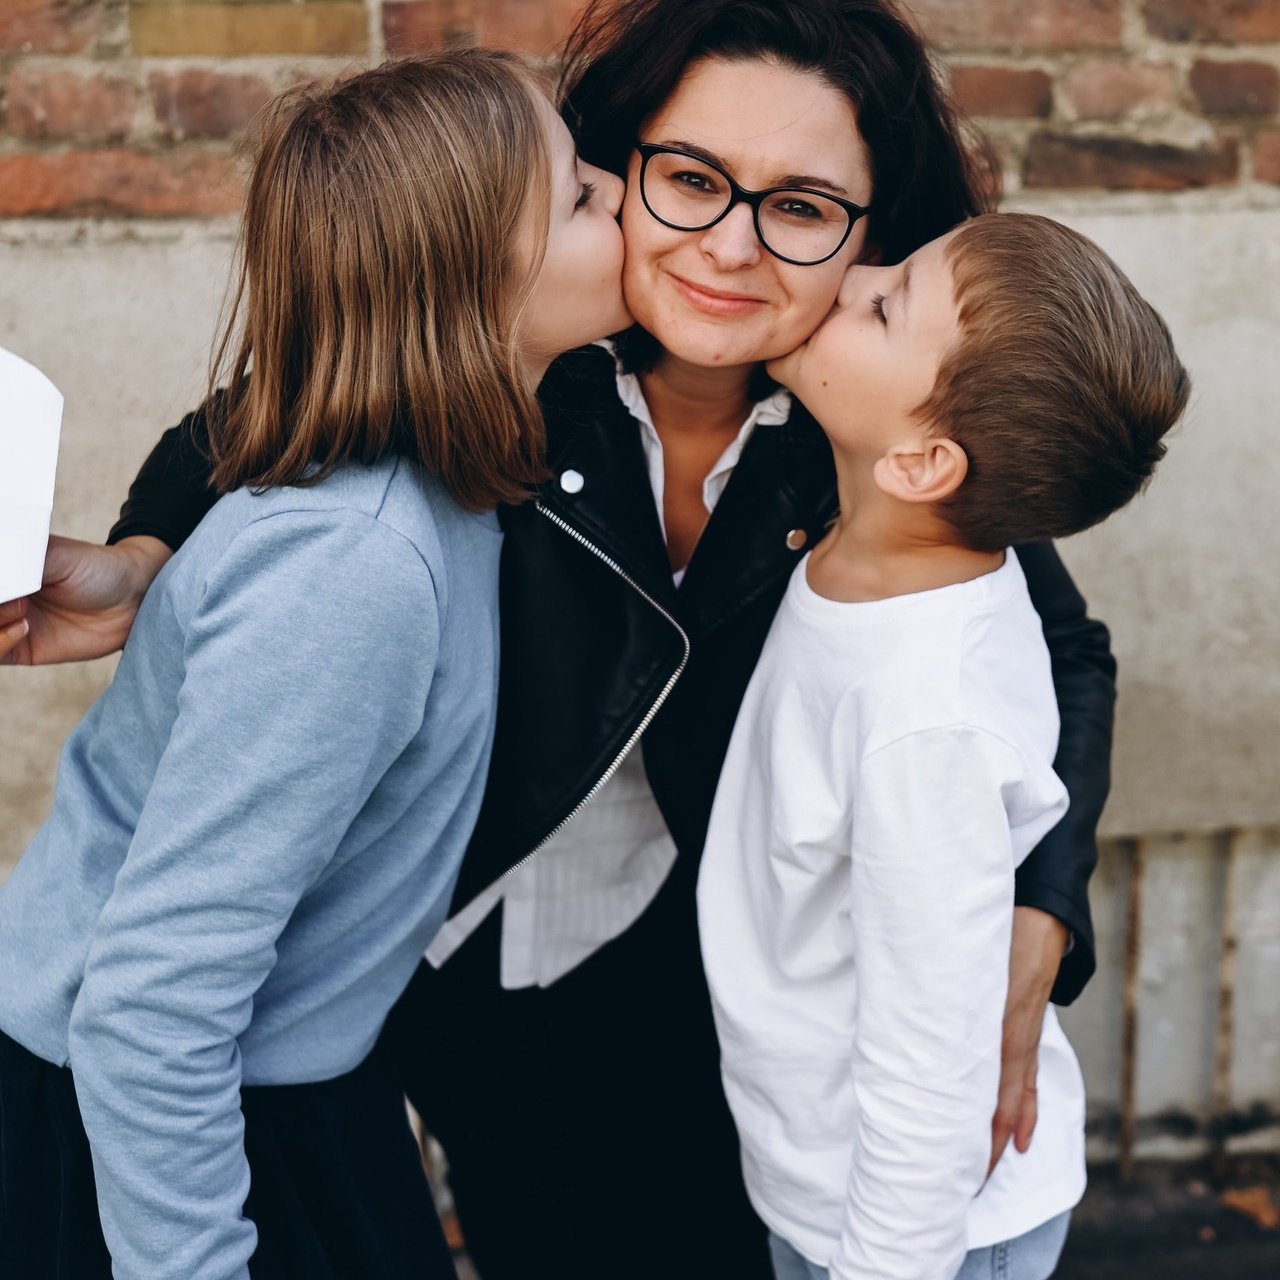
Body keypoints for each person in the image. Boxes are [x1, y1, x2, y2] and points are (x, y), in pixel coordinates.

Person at [0, 3, 1118, 1276]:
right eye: (689, 179)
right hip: (413, 948)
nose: (731, 248)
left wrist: (1039, 908)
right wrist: (148, 559)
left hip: (666, 968)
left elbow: (1051, 647)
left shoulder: (879, 432)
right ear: (616, 171)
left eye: (802, 207)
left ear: (871, 234)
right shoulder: (511, 351)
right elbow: (262, 420)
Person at [0, 50, 629, 1280]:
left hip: (279, 1081)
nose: (617, 189)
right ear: (472, 279)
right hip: (155, 1123)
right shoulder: (353, 569)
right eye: (578, 196)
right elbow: (151, 1005)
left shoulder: (442, 485)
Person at [699, 211, 1189, 1280]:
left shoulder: (922, 718)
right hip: (825, 1182)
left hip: (909, 1235)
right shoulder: (891, 555)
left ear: (921, 461)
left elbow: (928, 1057)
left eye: (883, 302)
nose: (848, 275)